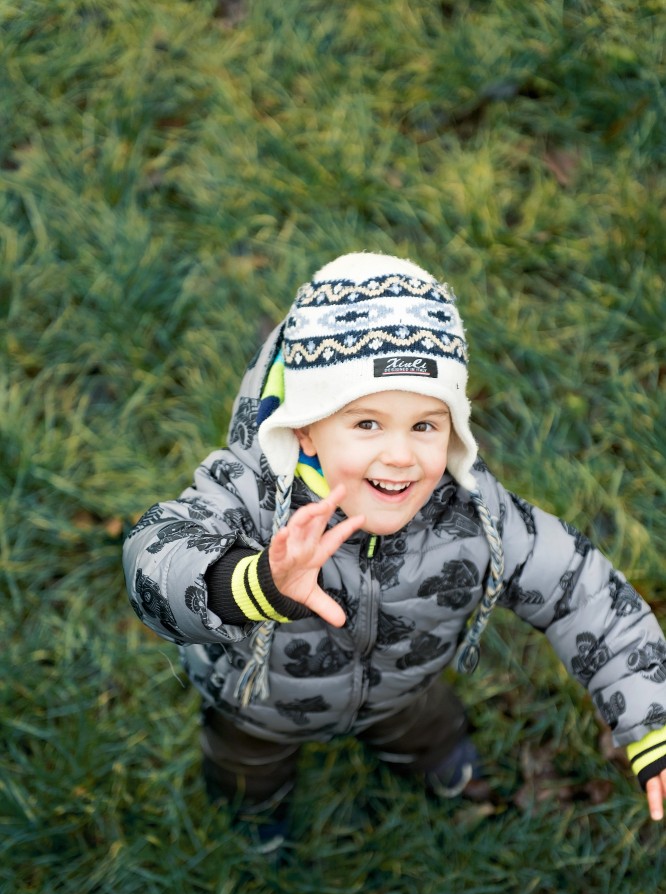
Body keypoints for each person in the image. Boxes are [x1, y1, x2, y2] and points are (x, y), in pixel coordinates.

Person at [123, 252, 666, 839]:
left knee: (428, 730)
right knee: (245, 767)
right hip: (258, 706)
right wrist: (254, 584)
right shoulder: (251, 495)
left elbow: (585, 593)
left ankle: (438, 767)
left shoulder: (476, 514)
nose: (401, 455)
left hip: (406, 686)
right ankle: (254, 816)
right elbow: (152, 556)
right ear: (305, 426)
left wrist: (651, 718)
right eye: (367, 424)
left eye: (425, 425)